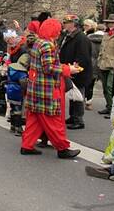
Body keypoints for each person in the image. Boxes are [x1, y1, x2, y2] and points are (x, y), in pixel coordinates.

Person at [20, 18, 81, 159]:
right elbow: (48, 68)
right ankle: (62, 148)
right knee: (53, 120)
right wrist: (68, 69)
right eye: (58, 30)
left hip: (35, 87)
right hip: (45, 88)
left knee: (34, 119)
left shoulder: (38, 42)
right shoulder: (48, 45)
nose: (60, 33)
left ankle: (27, 145)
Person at [58, 14, 92, 130]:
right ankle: (73, 116)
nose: (64, 24)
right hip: (69, 69)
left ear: (73, 24)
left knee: (78, 96)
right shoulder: (68, 36)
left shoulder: (81, 38)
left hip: (79, 72)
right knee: (72, 95)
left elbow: (83, 56)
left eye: (66, 22)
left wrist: (75, 68)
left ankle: (78, 119)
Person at [96, 14, 114, 116]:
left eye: (113, 23)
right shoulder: (105, 34)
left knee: (110, 87)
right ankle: (108, 106)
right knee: (104, 88)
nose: (111, 24)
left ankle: (113, 109)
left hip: (113, 65)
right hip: (103, 64)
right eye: (109, 23)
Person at [6, 53, 29, 136]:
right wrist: (25, 90)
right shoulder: (22, 72)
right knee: (18, 110)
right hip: (17, 90)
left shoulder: (11, 68)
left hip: (9, 89)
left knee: (12, 108)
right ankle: (18, 127)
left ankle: (12, 126)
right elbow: (23, 83)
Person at [84, 20, 104, 110]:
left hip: (90, 62)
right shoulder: (107, 39)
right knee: (106, 85)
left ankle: (88, 101)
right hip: (102, 63)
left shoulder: (88, 38)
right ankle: (110, 105)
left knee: (90, 83)